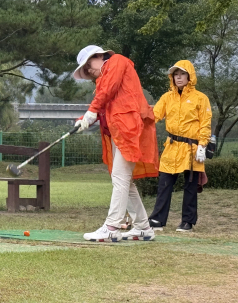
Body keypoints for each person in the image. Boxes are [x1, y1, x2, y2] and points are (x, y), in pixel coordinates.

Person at [74, 45, 159, 242]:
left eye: (88, 65)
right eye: (85, 70)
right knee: (124, 181)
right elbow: (103, 103)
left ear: (99, 56)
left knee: (120, 177)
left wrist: (91, 111)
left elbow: (105, 94)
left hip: (129, 128)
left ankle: (112, 227)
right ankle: (143, 227)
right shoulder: (103, 79)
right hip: (120, 130)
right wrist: (83, 119)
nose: (88, 71)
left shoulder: (117, 61)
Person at [148, 60, 211, 232]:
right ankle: (157, 220)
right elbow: (153, 116)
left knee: (190, 186)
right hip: (172, 145)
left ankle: (187, 222)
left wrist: (202, 145)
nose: (179, 77)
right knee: (164, 184)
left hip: (192, 147)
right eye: (176, 74)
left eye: (182, 74)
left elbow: (205, 123)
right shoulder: (167, 97)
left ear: (190, 76)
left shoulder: (200, 98)